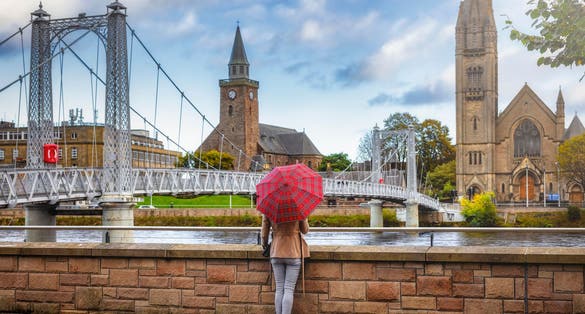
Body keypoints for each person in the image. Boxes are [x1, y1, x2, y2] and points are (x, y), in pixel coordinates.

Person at [261, 216, 309, 314]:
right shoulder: (297, 208)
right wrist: (305, 217)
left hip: (276, 251)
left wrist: (264, 245)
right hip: (293, 252)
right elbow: (305, 230)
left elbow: (264, 234)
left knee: (279, 288)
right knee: (289, 289)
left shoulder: (269, 207)